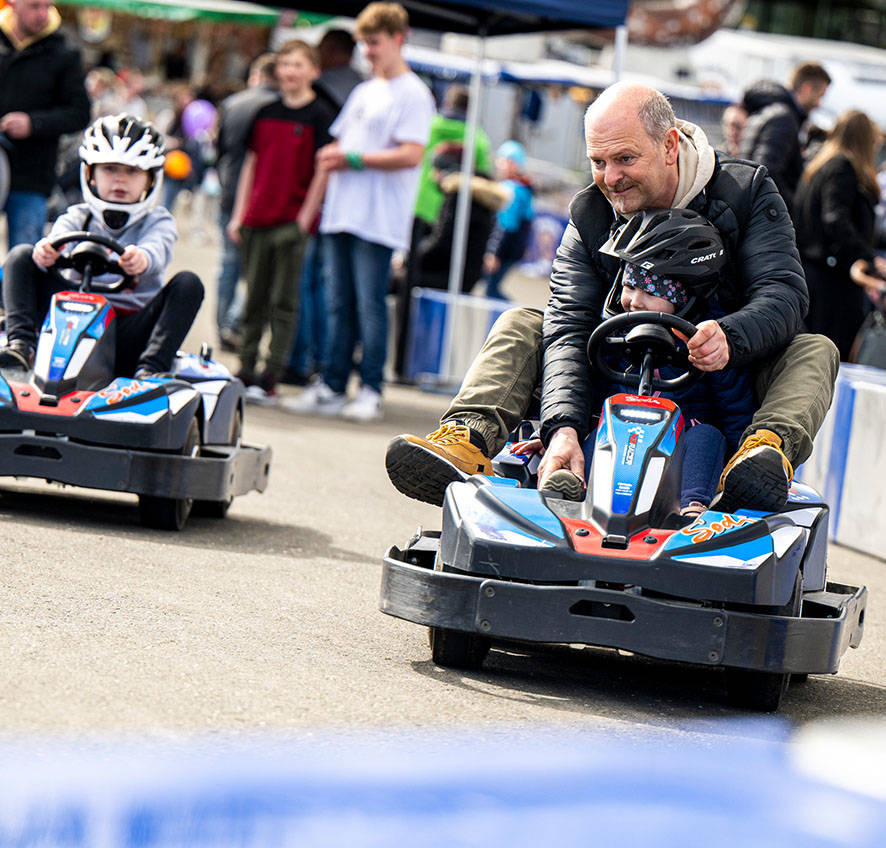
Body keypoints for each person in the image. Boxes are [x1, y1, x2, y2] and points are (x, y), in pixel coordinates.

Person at [386, 82, 839, 517]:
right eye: (598, 162)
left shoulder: (746, 191)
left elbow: (784, 294)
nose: (611, 178)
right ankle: (469, 438)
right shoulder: (588, 215)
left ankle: (762, 454)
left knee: (814, 349)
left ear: (668, 145)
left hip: (726, 380)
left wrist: (730, 336)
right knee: (522, 322)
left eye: (624, 159)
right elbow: (567, 325)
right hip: (611, 377)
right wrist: (562, 426)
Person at [526, 209, 756, 520]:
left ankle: (693, 509)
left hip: (682, 450)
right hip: (622, 439)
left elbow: (736, 408)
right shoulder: (610, 338)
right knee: (599, 430)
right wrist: (555, 434)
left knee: (708, 436)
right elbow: (584, 390)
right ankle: (572, 485)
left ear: (685, 299)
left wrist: (743, 456)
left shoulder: (707, 347)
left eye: (649, 292)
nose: (634, 301)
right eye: (630, 287)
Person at [284, 2, 434, 422]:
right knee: (338, 303)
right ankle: (333, 385)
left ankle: (370, 387)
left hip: (378, 218)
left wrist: (353, 159)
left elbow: (410, 154)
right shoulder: (365, 90)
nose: (368, 51)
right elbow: (335, 151)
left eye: (375, 43)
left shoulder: (414, 93)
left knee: (368, 304)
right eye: (365, 43)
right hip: (342, 213)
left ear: (398, 40)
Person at [0, 113, 203, 377]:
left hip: (126, 331)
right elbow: (55, 240)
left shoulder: (157, 221)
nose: (120, 180)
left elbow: (158, 247)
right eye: (110, 169)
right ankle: (22, 345)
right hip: (68, 321)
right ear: (90, 174)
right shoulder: (78, 215)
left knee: (189, 283)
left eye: (132, 171)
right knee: (21, 255)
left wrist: (142, 258)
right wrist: (47, 252)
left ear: (151, 179)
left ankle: (151, 369)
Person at [226, 39, 336, 402]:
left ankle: (271, 374)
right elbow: (251, 165)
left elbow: (323, 170)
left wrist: (306, 217)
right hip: (257, 217)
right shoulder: (265, 111)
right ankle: (245, 366)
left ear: (313, 71)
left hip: (291, 221)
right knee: (253, 295)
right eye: (285, 64)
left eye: (298, 65)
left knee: (284, 301)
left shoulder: (320, 115)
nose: (290, 72)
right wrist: (241, 214)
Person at [394, 84, 493, 377]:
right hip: (450, 226)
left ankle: (401, 360)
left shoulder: (431, 125)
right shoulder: (479, 138)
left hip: (425, 207)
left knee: (405, 279)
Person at [794, 109, 886, 361]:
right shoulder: (842, 167)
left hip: (814, 273)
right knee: (829, 356)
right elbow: (835, 219)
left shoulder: (820, 164)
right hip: (833, 281)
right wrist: (866, 257)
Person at [0, 0, 90, 252]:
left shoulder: (65, 53)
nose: (42, 14)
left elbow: (80, 113)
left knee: (26, 257)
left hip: (33, 176)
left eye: (47, 7)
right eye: (34, 6)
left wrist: (34, 124)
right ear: (14, 4)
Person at [214, 52, 278, 351]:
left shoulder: (232, 104)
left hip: (230, 191)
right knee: (258, 269)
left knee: (228, 263)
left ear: (255, 74)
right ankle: (234, 320)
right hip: (262, 196)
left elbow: (220, 149)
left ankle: (222, 324)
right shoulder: (279, 108)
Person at [739, 61, 831, 214]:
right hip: (765, 217)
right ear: (807, 89)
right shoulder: (784, 119)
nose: (819, 104)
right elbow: (767, 172)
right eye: (820, 95)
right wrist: (793, 209)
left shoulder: (770, 111)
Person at [482, 140, 534, 300]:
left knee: (491, 290)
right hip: (512, 248)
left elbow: (506, 223)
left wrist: (494, 253)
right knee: (490, 288)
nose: (499, 164)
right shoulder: (523, 187)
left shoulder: (512, 189)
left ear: (512, 163)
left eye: (503, 160)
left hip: (505, 249)